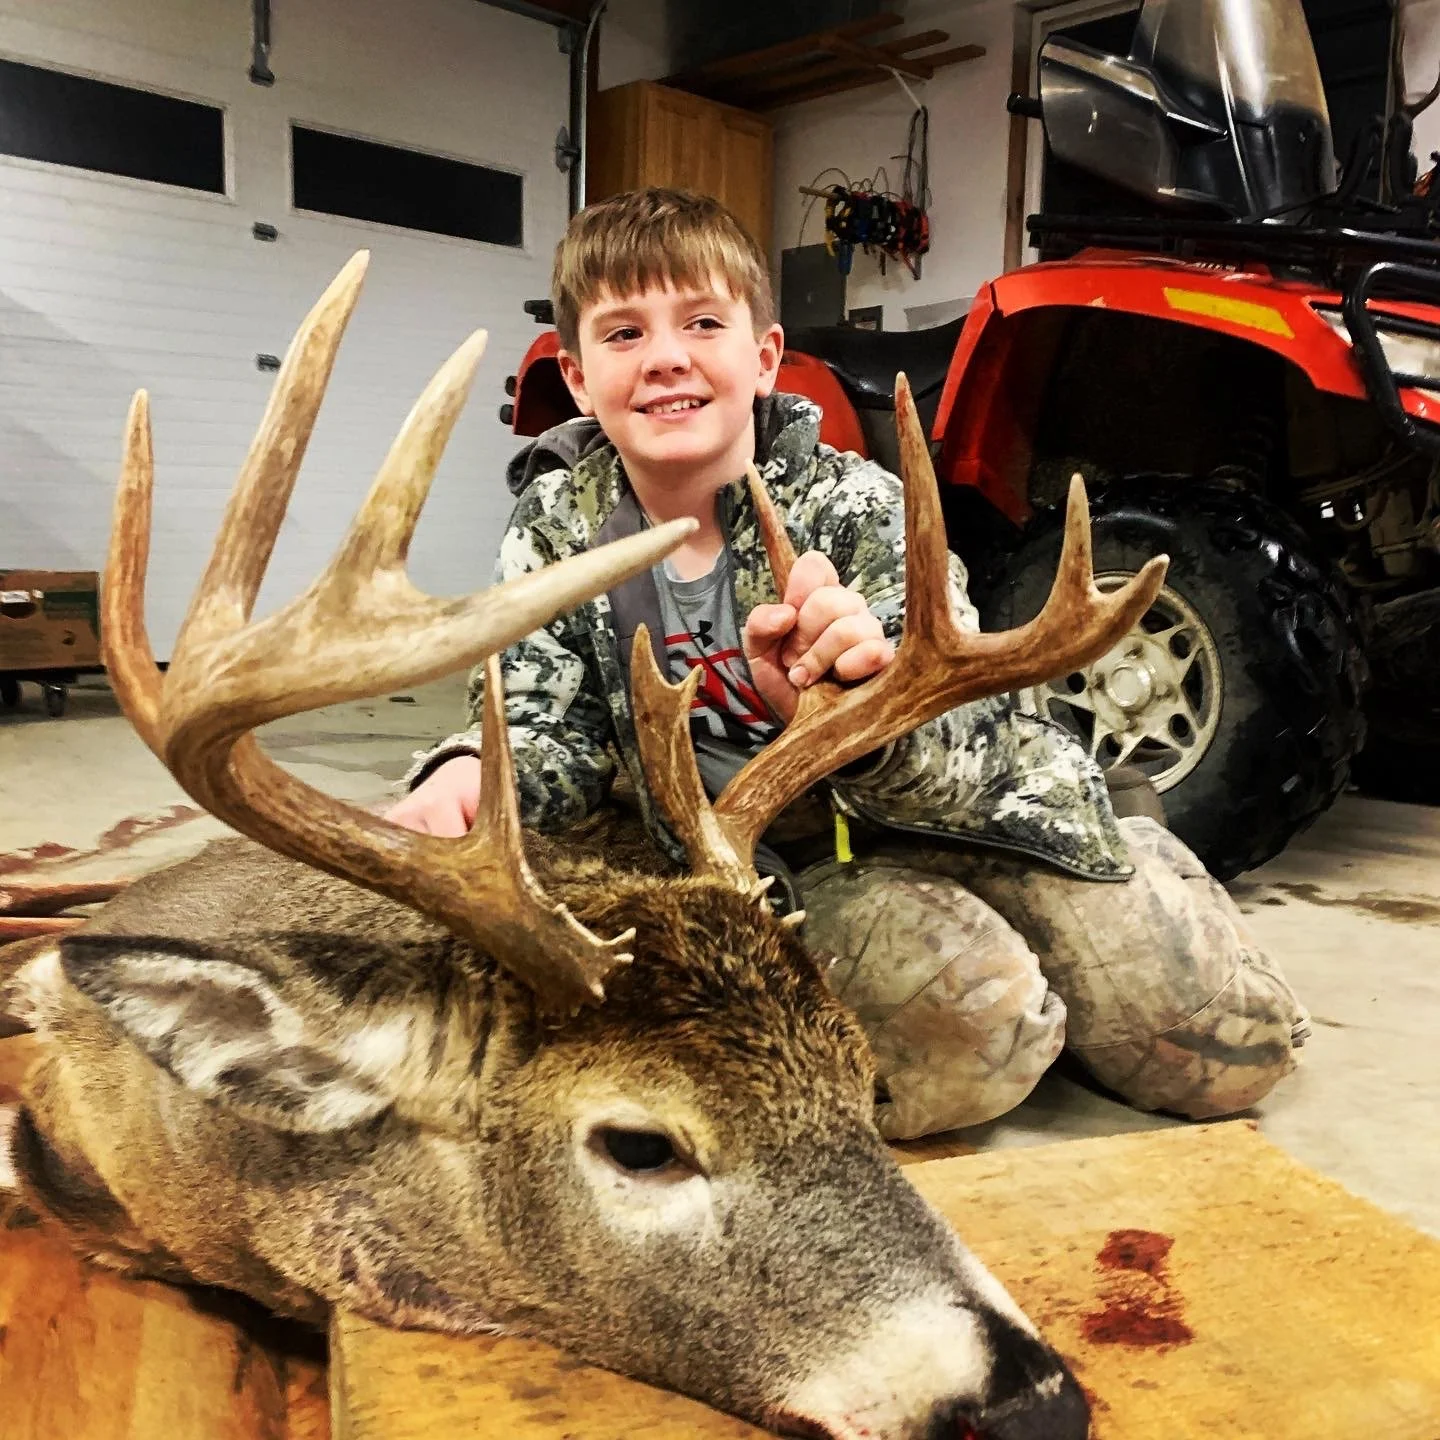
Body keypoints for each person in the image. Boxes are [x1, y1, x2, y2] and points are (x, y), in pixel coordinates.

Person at [388, 186, 1308, 1141]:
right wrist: (474, 769)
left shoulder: (860, 506)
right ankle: (1007, 969)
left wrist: (863, 708)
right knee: (971, 1044)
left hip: (984, 815)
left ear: (765, 357)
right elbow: (546, 728)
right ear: (578, 381)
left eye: (702, 321)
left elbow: (971, 738)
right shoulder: (558, 530)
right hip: (801, 865)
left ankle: (1115, 839)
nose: (666, 356)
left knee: (1226, 1052)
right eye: (624, 335)